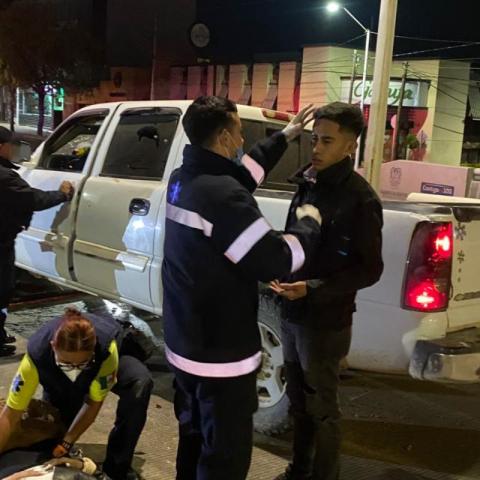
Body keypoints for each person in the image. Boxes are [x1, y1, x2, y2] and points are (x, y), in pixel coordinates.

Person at [162, 96, 323, 480]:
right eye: (238, 130)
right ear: (223, 136)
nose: (241, 137)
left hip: (185, 344)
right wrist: (309, 223)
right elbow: (276, 261)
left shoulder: (186, 178)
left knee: (194, 439)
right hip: (221, 359)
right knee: (225, 459)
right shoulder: (222, 197)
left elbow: (239, 178)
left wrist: (283, 137)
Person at [270, 102, 384, 480]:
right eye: (314, 139)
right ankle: (298, 470)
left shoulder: (361, 198)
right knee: (299, 404)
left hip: (325, 321)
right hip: (291, 314)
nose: (316, 148)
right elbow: (295, 241)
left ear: (350, 146)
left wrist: (313, 288)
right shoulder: (306, 183)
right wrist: (279, 271)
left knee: (323, 410)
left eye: (327, 141)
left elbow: (370, 269)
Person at [0, 307, 153, 480]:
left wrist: (68, 442)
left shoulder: (105, 349)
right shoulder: (36, 355)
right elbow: (11, 412)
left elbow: (94, 403)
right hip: (58, 371)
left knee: (139, 383)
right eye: (67, 363)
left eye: (81, 363)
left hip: (105, 362)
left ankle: (117, 467)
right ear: (53, 347)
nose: (74, 370)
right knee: (54, 432)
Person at [0, 126, 74, 357]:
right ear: (2, 146)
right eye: (11, 144)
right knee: (1, 289)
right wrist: (62, 194)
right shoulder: (4, 176)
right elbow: (31, 198)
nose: (14, 149)